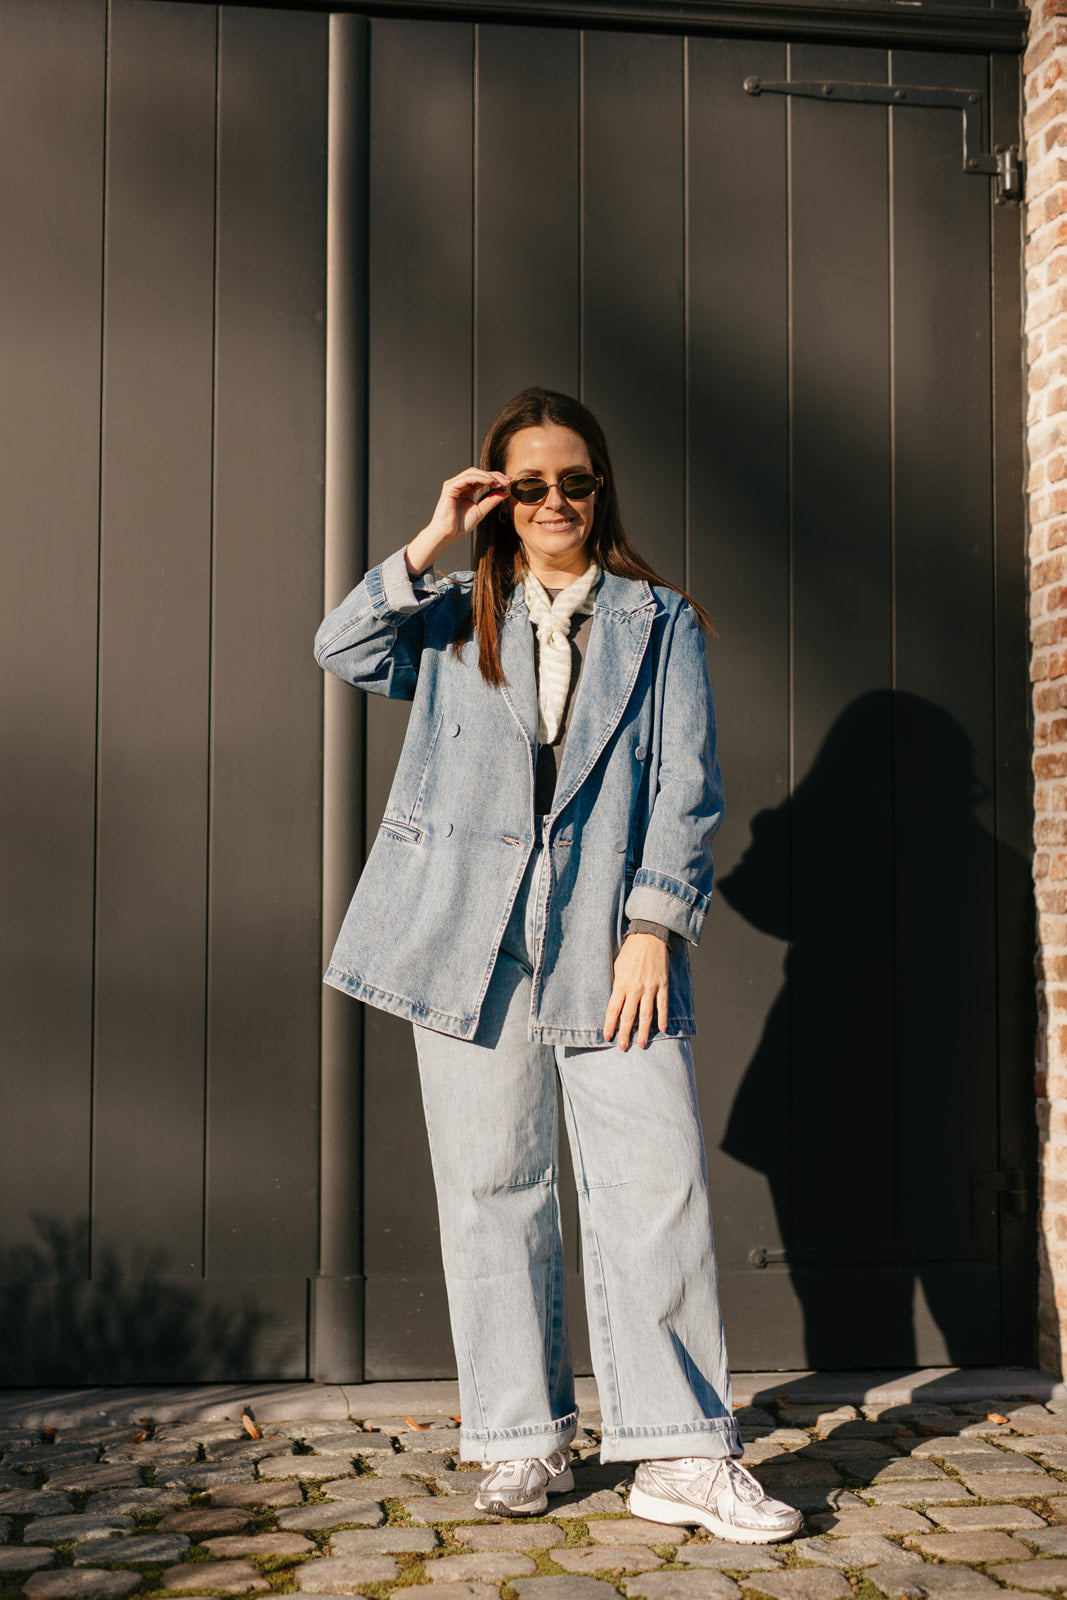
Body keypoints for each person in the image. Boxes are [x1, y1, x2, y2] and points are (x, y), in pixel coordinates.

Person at [314, 387, 801, 1544]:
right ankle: (522, 1435)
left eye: (571, 481)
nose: (550, 502)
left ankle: (678, 1452)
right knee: (490, 1189)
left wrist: (653, 925)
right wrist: (436, 529)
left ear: (599, 490)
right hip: (464, 938)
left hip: (607, 936)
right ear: (497, 496)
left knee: (655, 1186)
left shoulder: (657, 621)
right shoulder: (448, 614)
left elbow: (685, 788)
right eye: (524, 484)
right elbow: (341, 644)